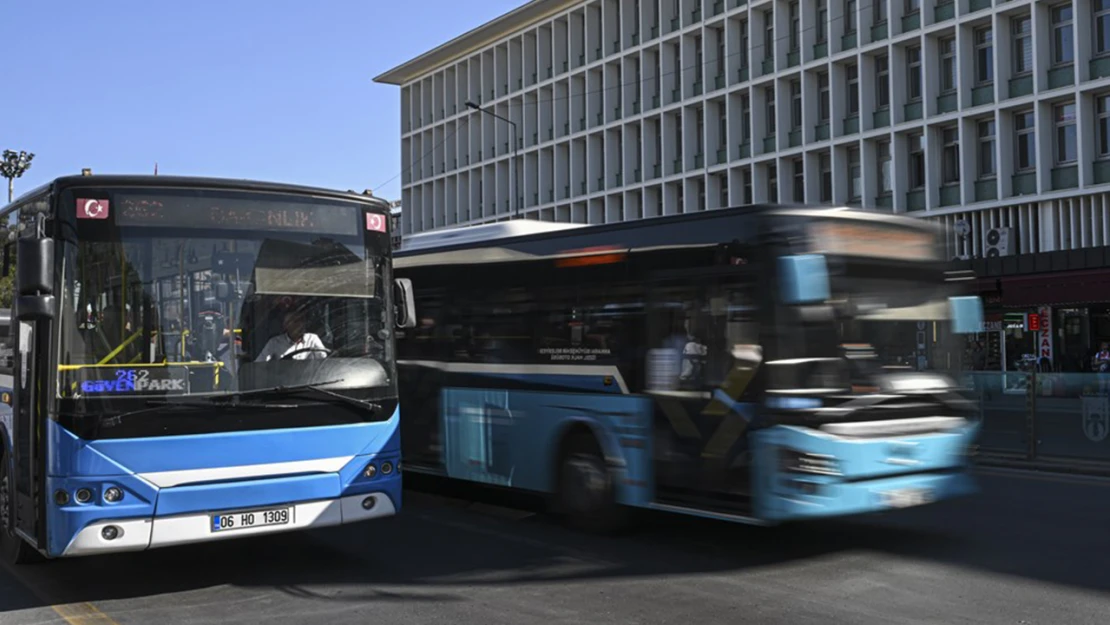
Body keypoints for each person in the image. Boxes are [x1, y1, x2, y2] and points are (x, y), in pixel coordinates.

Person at [254, 310, 328, 362]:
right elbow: (259, 365)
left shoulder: (312, 339)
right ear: (286, 325)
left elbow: (324, 362)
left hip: (311, 381)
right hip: (283, 382)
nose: (300, 324)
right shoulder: (274, 343)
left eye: (301, 320)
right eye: (295, 321)